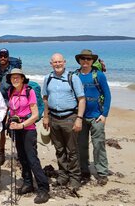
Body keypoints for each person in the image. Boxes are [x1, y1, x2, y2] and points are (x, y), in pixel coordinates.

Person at [42, 53, 86, 190]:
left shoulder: (73, 78)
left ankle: (75, 178)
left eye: (60, 62)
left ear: (64, 62)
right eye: (55, 62)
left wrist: (79, 119)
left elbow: (82, 99)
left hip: (70, 118)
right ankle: (63, 175)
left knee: (72, 150)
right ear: (51, 63)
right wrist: (46, 116)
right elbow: (45, 98)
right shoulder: (48, 78)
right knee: (59, 149)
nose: (57, 64)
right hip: (54, 118)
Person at [6, 68, 50, 204]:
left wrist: (22, 125)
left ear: (23, 78)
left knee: (32, 159)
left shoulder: (29, 91)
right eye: (13, 77)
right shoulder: (11, 91)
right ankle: (28, 183)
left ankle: (43, 188)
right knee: (22, 158)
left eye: (17, 77)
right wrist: (10, 121)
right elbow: (11, 109)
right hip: (16, 129)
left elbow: (36, 114)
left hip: (28, 129)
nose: (15, 79)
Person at [74, 49, 112, 186]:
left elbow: (107, 95)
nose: (85, 61)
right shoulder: (74, 75)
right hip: (80, 117)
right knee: (81, 146)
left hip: (97, 117)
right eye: (83, 58)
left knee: (98, 145)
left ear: (92, 61)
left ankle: (102, 173)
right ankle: (84, 171)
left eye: (88, 59)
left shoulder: (99, 75)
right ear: (79, 60)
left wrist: (104, 114)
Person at [0, 48, 21, 165]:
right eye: (1, 56)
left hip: (14, 106)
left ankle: (20, 155)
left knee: (16, 131)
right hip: (0, 106)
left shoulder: (13, 72)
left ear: (8, 57)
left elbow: (19, 87)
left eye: (5, 56)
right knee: (1, 130)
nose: (2, 58)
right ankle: (1, 153)